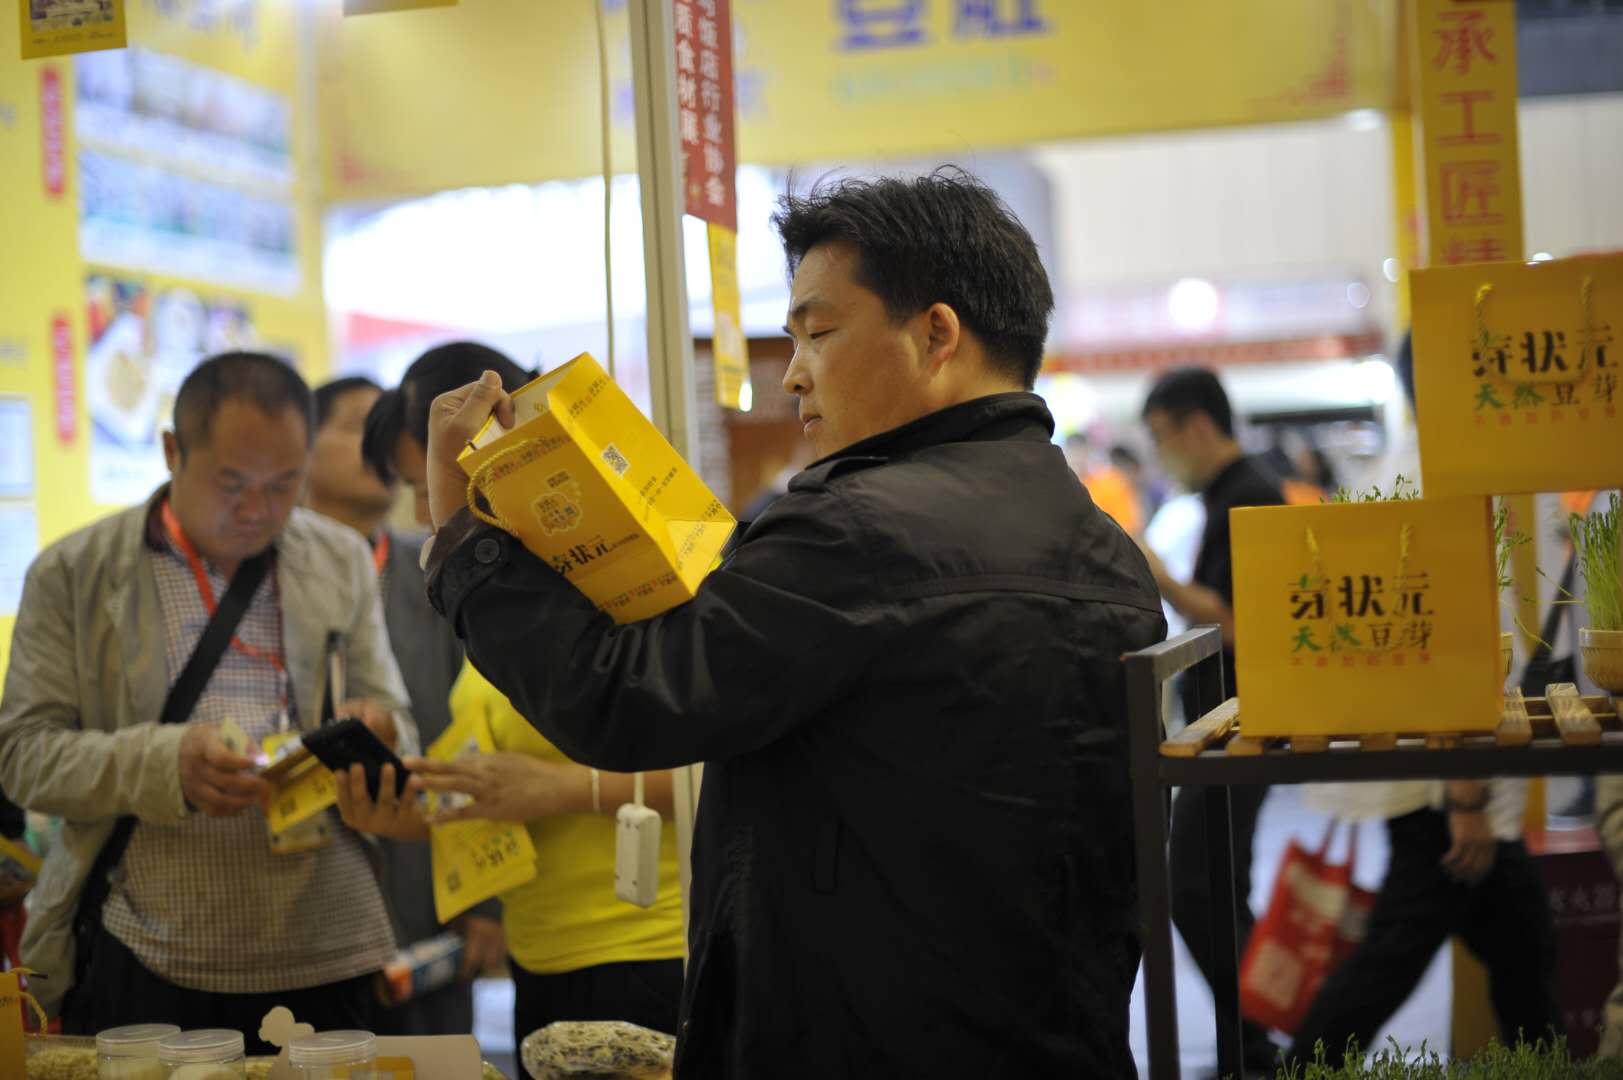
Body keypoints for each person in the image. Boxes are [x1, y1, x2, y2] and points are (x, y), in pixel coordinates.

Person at [402, 171, 1167, 1076]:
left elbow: (626, 701)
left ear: (935, 335)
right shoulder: (1100, 543)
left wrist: (463, 537)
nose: (795, 373)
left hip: (862, 1037)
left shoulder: (856, 527)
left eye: (819, 332)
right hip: (1057, 1033)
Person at [0, 352, 416, 1045]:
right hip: (153, 944)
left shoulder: (337, 556)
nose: (258, 510)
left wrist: (381, 730)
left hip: (328, 938)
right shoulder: (74, 573)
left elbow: (396, 714)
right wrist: (166, 763)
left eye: (284, 484)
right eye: (232, 484)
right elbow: (22, 757)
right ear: (171, 451)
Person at [346, 342, 688, 1043]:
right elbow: (497, 790)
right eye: (414, 487)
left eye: (429, 481)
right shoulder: (506, 611)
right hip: (543, 961)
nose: (423, 511)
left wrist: (563, 790)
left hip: (657, 950)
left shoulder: (626, 568)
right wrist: (399, 812)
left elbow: (721, 766)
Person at [1288, 335, 1561, 1065]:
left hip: (1426, 759)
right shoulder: (1442, 478)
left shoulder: (1404, 468)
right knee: (1408, 953)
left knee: (1516, 945)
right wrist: (1465, 795)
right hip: (1441, 768)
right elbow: (1448, 645)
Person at [306, 375, 497, 1036]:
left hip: (426, 895)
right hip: (304, 906)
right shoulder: (276, 580)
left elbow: (476, 730)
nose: (377, 441)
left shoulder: (436, 570)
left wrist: (485, 900)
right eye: (356, 422)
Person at [1139, 365, 1286, 1075]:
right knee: (1213, 889)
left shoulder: (1250, 496)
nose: (1162, 457)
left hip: (1239, 726)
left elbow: (1236, 621)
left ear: (1197, 426)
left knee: (1197, 887)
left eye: (1163, 439)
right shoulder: (1234, 493)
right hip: (1224, 725)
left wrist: (1156, 574)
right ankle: (1251, 1040)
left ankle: (1257, 1040)